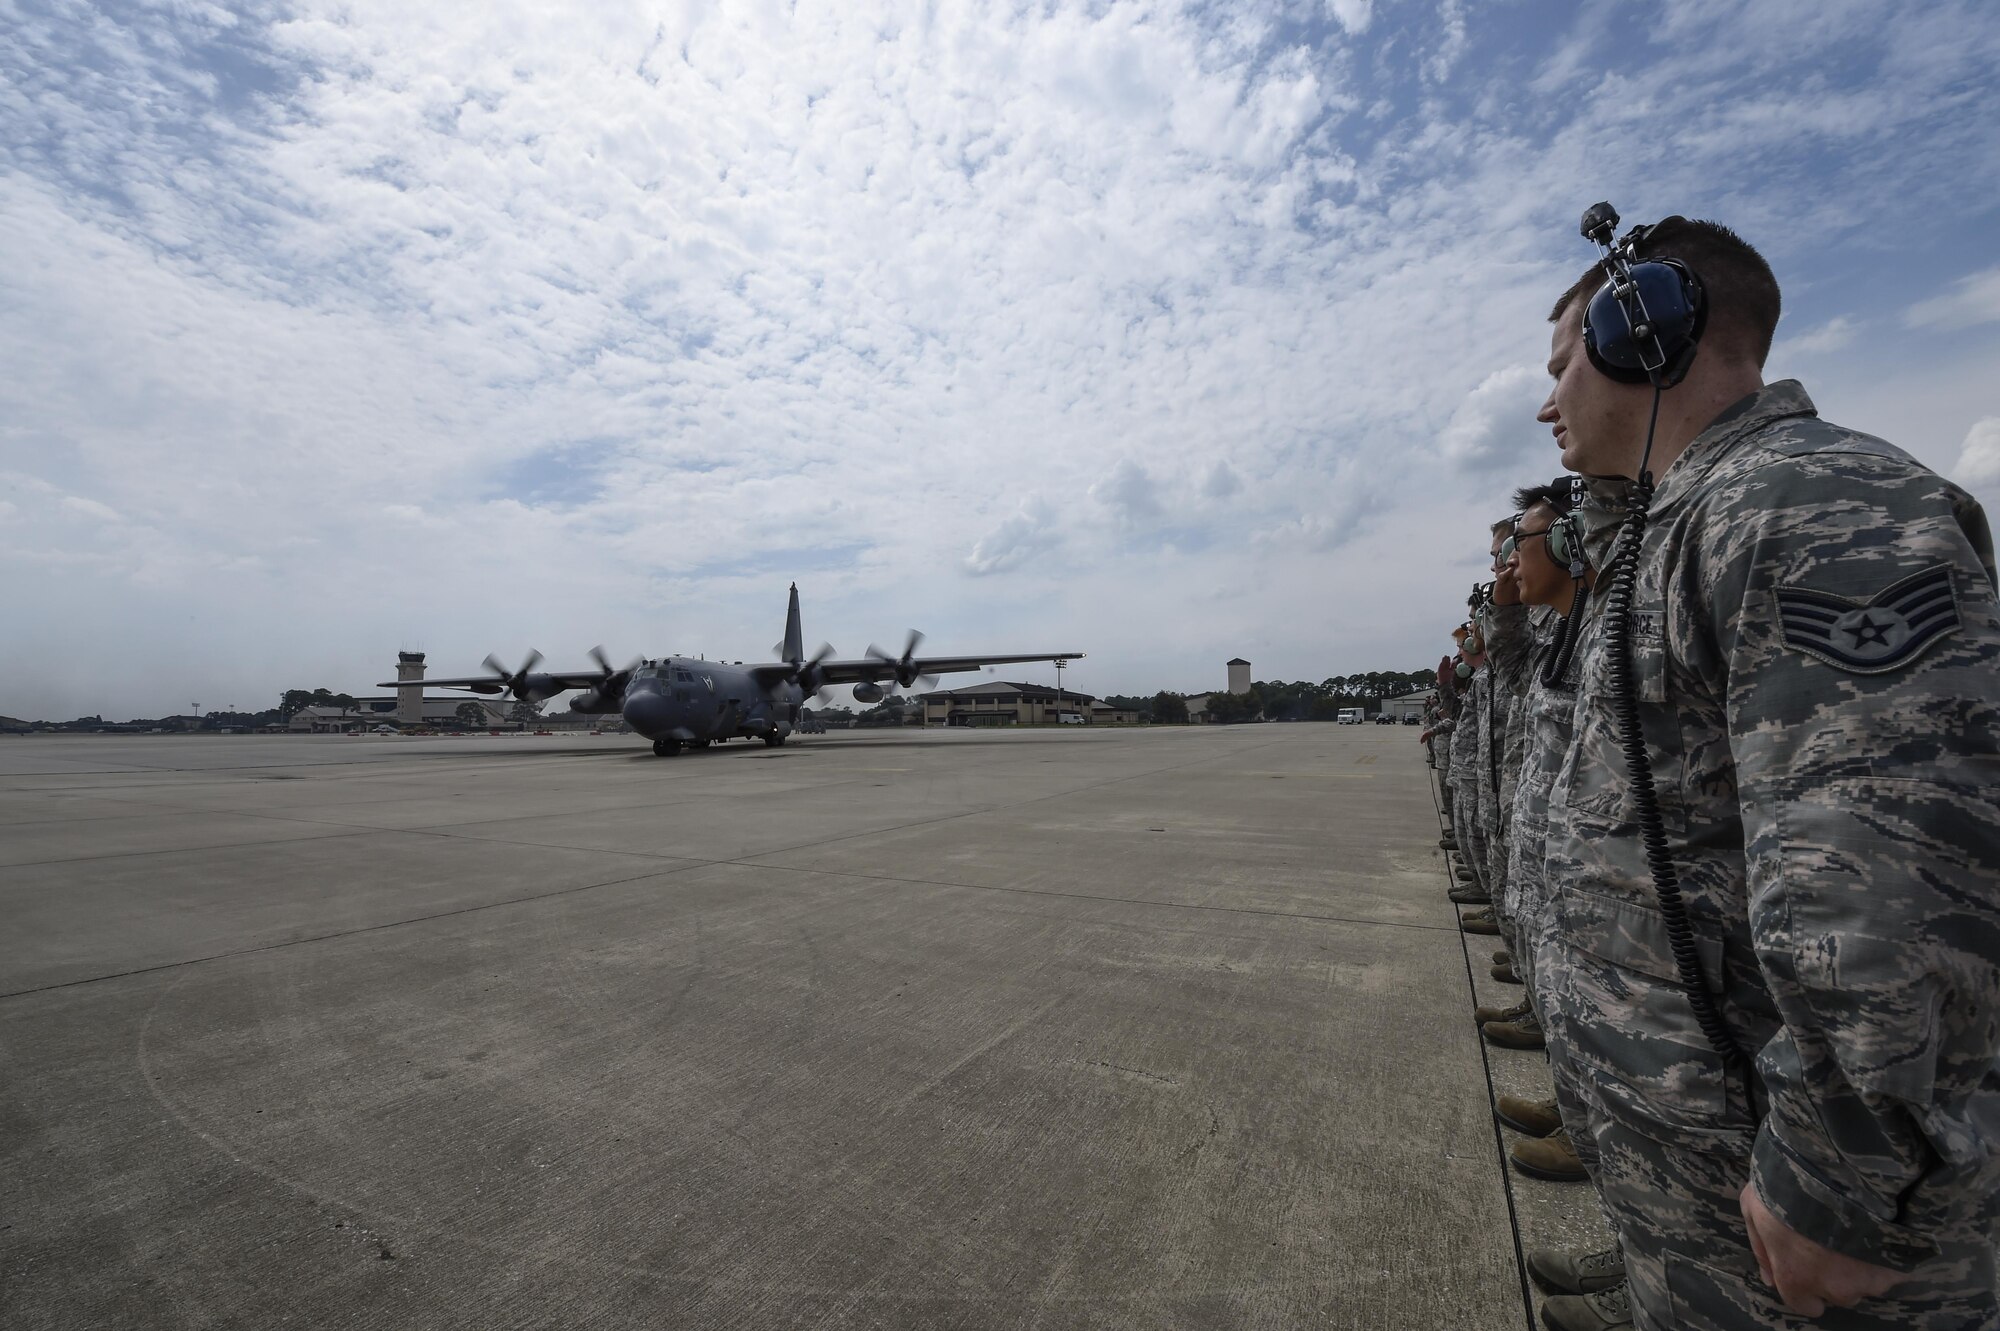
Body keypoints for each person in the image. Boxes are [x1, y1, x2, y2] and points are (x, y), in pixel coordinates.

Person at [1539, 214, 2000, 1330]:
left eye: (1560, 363)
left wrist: (1835, 1176)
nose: (1544, 401)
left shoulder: (1804, 502)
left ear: (1638, 331)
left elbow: (1891, 872)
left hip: (1789, 1188)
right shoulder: (1680, 524)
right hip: (1703, 1157)